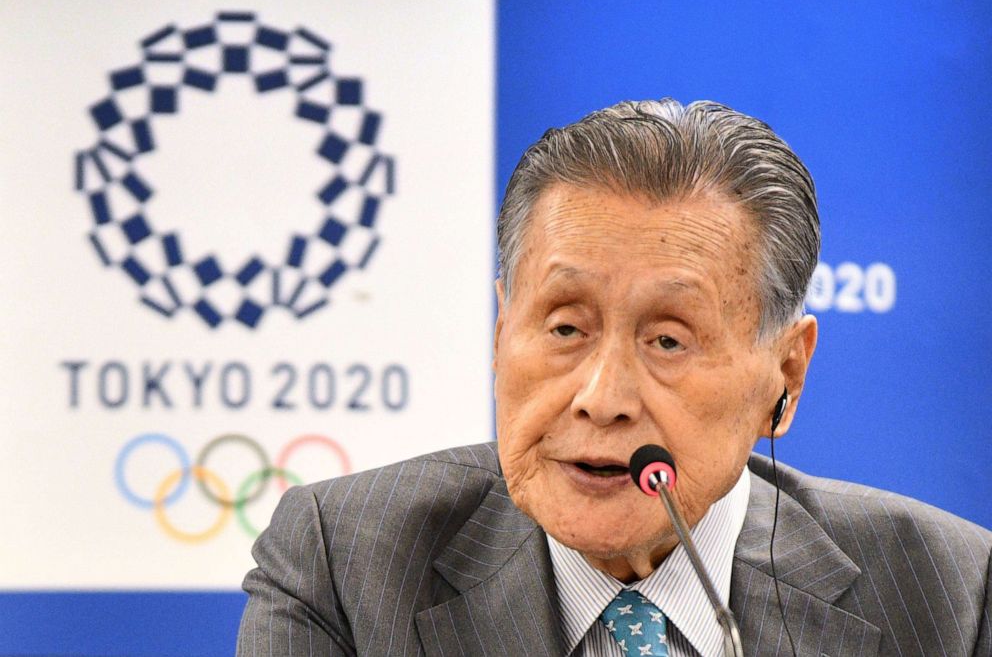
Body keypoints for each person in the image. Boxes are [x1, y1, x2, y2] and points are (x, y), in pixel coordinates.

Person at [237, 99, 992, 656]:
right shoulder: (345, 563)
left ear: (785, 371)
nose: (602, 399)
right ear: (504, 333)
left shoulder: (950, 594)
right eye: (565, 327)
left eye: (668, 339)